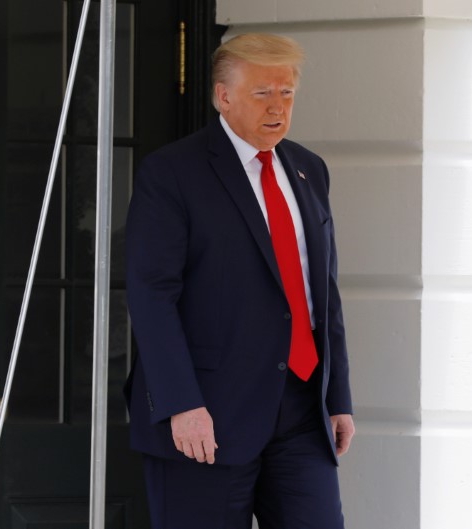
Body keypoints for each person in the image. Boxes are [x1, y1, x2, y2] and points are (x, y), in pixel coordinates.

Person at [124, 33, 355, 529]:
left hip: (301, 410)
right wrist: (181, 403)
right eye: (262, 93)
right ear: (223, 96)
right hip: (206, 414)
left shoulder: (309, 170)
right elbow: (152, 296)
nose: (278, 107)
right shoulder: (172, 173)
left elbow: (321, 293)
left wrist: (337, 397)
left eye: (287, 92)